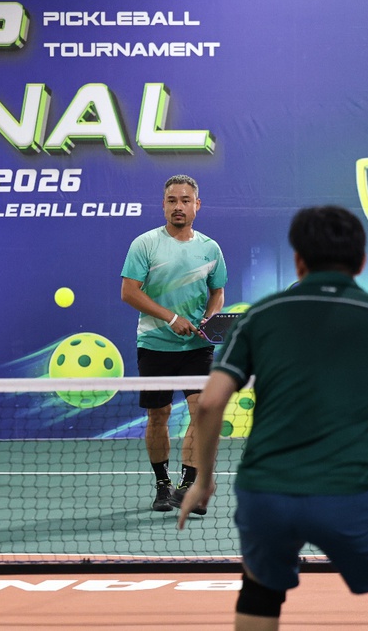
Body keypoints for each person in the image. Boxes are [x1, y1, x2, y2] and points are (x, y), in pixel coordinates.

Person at [177, 206, 368, 630]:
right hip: (350, 493)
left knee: (260, 593)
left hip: (265, 492)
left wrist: (204, 480)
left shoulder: (257, 316)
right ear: (361, 263)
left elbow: (211, 403)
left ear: (299, 261)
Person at [120, 174, 227, 513]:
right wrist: (170, 318)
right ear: (163, 204)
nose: (178, 206)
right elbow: (129, 292)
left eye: (185, 200)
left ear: (197, 205)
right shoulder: (145, 244)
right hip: (154, 345)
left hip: (197, 348)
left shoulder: (210, 248)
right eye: (172, 200)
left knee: (202, 413)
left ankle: (187, 484)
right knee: (158, 416)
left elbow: (218, 292)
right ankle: (162, 484)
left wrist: (209, 318)